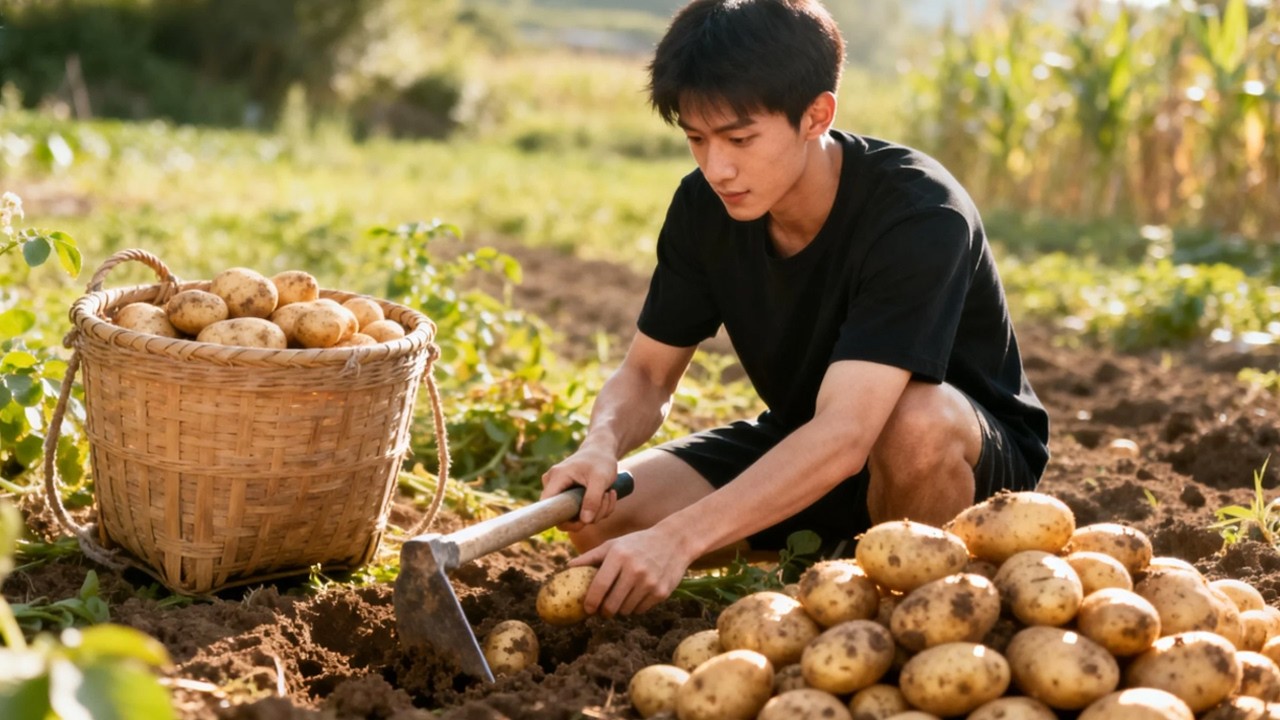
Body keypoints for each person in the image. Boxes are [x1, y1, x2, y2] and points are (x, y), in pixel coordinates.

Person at [538, 0, 1049, 618]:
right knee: (607, 523)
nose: (717, 167)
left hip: (951, 455)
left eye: (740, 138)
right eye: (696, 138)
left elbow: (850, 432)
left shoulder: (918, 212)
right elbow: (647, 375)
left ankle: (913, 606)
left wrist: (680, 539)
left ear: (816, 115)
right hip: (810, 440)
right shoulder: (704, 208)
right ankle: (838, 552)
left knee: (914, 421)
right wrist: (601, 444)